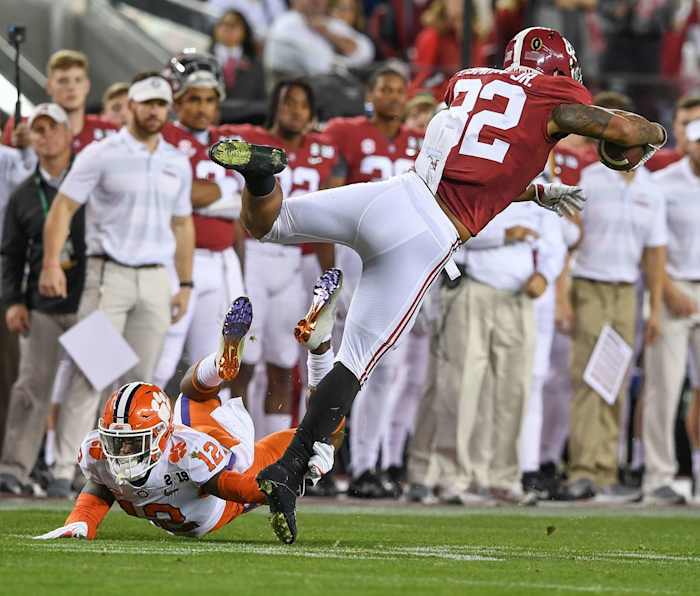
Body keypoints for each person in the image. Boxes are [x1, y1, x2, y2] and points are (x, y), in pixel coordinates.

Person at [210, 26, 667, 543]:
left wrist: (535, 191)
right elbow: (623, 130)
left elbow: (476, 157)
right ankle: (290, 467)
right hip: (427, 234)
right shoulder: (555, 94)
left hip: (393, 195)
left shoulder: (468, 79)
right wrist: (654, 133)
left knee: (269, 224)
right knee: (355, 358)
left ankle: (260, 177)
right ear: (560, 66)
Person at [34, 271, 343, 541]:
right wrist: (80, 523)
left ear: (160, 436)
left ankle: (316, 348)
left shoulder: (185, 452)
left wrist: (281, 486)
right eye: (118, 442)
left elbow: (233, 487)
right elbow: (101, 485)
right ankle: (242, 361)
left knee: (324, 436)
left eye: (130, 443)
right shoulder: (102, 452)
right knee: (195, 395)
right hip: (200, 448)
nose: (121, 452)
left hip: (231, 470)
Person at [37, 72, 195, 497]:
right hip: (107, 274)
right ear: (129, 105)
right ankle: (62, 468)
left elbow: (182, 224)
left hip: (155, 279)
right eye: (146, 103)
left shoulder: (176, 161)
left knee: (140, 383)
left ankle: (123, 476)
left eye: (161, 104)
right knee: (93, 372)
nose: (154, 111)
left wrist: (185, 282)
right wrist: (51, 262)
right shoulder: (101, 153)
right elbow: (62, 209)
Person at [323, 67, 423, 497]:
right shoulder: (346, 132)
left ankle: (367, 466)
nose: (392, 96)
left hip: (401, 261)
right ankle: (319, 459)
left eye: (399, 90)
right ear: (370, 93)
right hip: (356, 256)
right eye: (384, 88)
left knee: (385, 370)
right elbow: (330, 190)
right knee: (335, 365)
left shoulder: (420, 143)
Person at [222, 79, 342, 436]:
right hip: (254, 254)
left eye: (303, 105)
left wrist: (330, 275)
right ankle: (236, 444)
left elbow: (326, 220)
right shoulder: (250, 140)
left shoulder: (322, 152)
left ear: (312, 113)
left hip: (292, 262)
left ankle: (269, 448)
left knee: (282, 363)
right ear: (276, 105)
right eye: (289, 102)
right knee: (242, 360)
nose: (295, 110)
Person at [563, 92, 666, 503]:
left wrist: (654, 308)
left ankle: (606, 470)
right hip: (588, 283)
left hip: (627, 290)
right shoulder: (588, 177)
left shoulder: (651, 188)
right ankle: (582, 469)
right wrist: (565, 295)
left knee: (615, 381)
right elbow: (568, 238)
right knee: (588, 377)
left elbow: (655, 252)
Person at [0, 104, 84, 495]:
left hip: (91, 300)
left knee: (96, 384)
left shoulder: (92, 182)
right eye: (38, 130)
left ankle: (82, 468)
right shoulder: (22, 195)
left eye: (53, 129)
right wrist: (13, 301)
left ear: (69, 134)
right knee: (31, 387)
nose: (45, 137)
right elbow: (11, 253)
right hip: (42, 303)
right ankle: (14, 468)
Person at [156, 51, 246, 392]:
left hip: (222, 261)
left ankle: (198, 442)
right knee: (159, 364)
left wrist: (206, 198)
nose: (202, 107)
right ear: (176, 100)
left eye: (210, 99)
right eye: (193, 99)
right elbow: (178, 193)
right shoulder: (164, 136)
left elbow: (248, 203)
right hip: (176, 260)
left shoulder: (231, 142)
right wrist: (225, 191)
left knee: (213, 368)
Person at [641, 114, 700, 505]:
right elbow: (653, 245)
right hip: (674, 289)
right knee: (664, 386)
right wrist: (665, 291)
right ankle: (658, 475)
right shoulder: (663, 184)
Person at [3, 50, 118, 153]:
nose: (71, 87)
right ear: (49, 86)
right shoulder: (22, 128)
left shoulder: (110, 131)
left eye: (78, 80)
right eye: (63, 81)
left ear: (87, 85)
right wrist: (21, 150)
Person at [263, 0, 374, 87]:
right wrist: (347, 53)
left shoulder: (326, 22)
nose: (316, 1)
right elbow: (322, 66)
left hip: (328, 93)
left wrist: (330, 35)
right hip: (294, 101)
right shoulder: (285, 25)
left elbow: (366, 50)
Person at [209, 10, 266, 102]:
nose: (227, 29)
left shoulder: (255, 64)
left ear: (244, 31)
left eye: (233, 25)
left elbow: (261, 99)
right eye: (223, 24)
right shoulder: (202, 59)